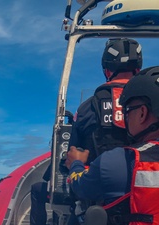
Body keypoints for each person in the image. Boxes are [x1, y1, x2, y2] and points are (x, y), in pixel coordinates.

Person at [30, 38, 143, 225]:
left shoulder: (86, 109)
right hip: (143, 200)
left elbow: (72, 156)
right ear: (138, 70)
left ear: (107, 71)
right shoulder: (150, 107)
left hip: (96, 201)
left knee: (44, 190)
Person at [65, 66, 159, 224]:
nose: (126, 118)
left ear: (143, 113)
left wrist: (76, 164)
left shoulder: (115, 162)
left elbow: (81, 187)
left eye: (128, 110)